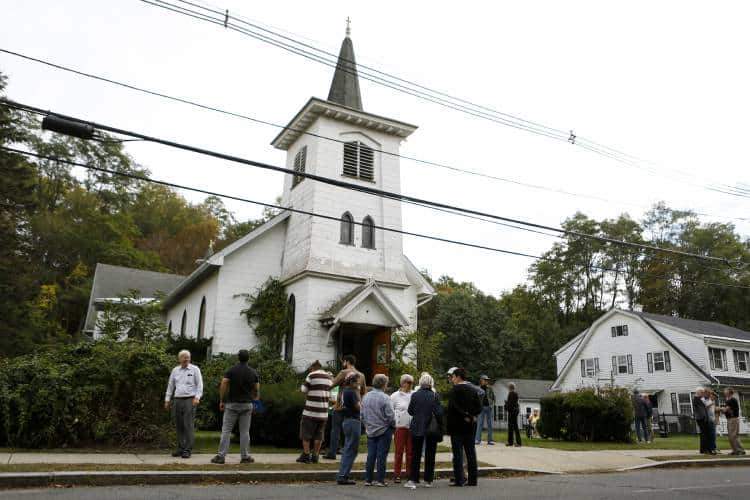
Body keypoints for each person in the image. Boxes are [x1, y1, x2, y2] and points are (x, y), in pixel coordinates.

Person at [210, 349, 259, 464]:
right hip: (247, 405)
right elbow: (256, 388)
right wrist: (256, 402)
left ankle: (221, 456)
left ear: (238, 358)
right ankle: (245, 456)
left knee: (226, 431)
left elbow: (224, 383)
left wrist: (222, 400)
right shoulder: (253, 372)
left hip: (232, 404)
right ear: (248, 359)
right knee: (245, 432)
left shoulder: (231, 370)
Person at [404, 372, 443, 490]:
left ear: (420, 383)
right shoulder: (435, 395)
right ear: (431, 383)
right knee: (430, 454)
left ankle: (413, 479)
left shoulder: (415, 395)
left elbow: (410, 411)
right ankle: (428, 480)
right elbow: (439, 413)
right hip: (431, 428)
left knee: (415, 454)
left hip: (417, 427)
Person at [164, 350, 203, 459]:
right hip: (177, 399)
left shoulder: (195, 369)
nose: (186, 359)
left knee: (188, 425)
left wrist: (197, 397)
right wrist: (167, 400)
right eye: (184, 357)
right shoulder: (175, 370)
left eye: (188, 357)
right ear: (179, 359)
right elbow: (170, 385)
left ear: (190, 358)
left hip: (190, 399)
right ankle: (180, 448)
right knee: (179, 425)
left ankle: (187, 449)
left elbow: (200, 385)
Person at [447, 367, 482, 487]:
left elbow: (453, 407)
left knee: (458, 454)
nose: (452, 379)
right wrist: (472, 416)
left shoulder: (454, 390)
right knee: (470, 452)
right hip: (470, 426)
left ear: (458, 377)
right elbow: (479, 407)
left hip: (457, 426)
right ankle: (473, 479)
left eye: (453, 377)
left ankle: (459, 479)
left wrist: (465, 415)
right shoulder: (473, 390)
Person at [361, 373, 395, 487]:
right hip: (384, 429)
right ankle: (380, 480)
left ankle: (368, 479)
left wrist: (367, 425)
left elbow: (362, 414)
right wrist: (393, 425)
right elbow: (390, 416)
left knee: (371, 455)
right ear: (384, 384)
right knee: (381, 455)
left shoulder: (366, 397)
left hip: (370, 429)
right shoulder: (385, 398)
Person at [296, 360, 333, 464]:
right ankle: (315, 456)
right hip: (324, 412)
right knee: (319, 435)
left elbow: (304, 389)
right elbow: (330, 393)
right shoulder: (328, 377)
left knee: (306, 434)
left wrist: (302, 387)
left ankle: (306, 455)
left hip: (310, 412)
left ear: (312, 368)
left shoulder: (311, 375)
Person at [336, 373, 362, 485]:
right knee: (351, 450)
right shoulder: (352, 392)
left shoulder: (344, 391)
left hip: (346, 420)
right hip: (353, 421)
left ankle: (342, 474)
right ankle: (343, 475)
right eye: (357, 381)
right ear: (351, 382)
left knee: (347, 448)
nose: (359, 383)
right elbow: (358, 407)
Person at [390, 374, 414, 483]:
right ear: (402, 383)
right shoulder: (395, 396)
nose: (410, 384)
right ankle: (397, 474)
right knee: (399, 452)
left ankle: (409, 474)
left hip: (411, 427)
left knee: (410, 452)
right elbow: (390, 411)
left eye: (411, 382)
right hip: (400, 427)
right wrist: (394, 422)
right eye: (408, 382)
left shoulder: (414, 394)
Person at [722, 387, 746, 455]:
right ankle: (735, 450)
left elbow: (726, 409)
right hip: (730, 419)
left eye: (725, 390)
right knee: (731, 436)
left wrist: (719, 409)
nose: (724, 392)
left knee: (733, 435)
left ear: (729, 392)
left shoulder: (732, 400)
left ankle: (740, 450)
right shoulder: (728, 400)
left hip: (733, 419)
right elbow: (726, 410)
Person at [322, 384, 342, 460]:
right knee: (328, 430)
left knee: (337, 431)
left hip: (337, 411)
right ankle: (325, 448)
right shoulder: (329, 386)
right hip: (328, 412)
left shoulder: (338, 387)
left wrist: (336, 401)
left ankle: (337, 448)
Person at [475, 375, 495, 445]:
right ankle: (477, 440)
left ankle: (490, 440)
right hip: (481, 408)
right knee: (480, 424)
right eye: (485, 380)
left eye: (487, 380)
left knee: (490, 424)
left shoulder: (490, 388)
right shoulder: (478, 388)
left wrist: (492, 405)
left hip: (489, 407)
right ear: (481, 380)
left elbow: (493, 397)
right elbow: (476, 399)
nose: (487, 381)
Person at [692, 387, 714, 454]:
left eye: (703, 392)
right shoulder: (697, 399)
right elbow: (701, 410)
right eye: (702, 392)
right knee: (704, 434)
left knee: (704, 434)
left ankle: (703, 449)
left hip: (702, 418)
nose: (703, 393)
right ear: (698, 392)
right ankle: (705, 449)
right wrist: (705, 417)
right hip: (701, 418)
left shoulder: (699, 399)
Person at [505, 382, 522, 447]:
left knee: (512, 427)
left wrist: (506, 405)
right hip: (515, 411)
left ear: (509, 388)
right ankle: (512, 442)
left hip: (512, 412)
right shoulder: (516, 394)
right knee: (513, 427)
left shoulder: (511, 394)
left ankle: (514, 442)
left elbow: (510, 404)